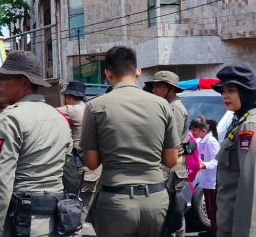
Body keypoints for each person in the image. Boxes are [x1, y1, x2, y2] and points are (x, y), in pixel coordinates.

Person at [0, 51, 81, 237]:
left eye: (4, 77)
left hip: (24, 224)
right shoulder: (59, 118)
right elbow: (70, 174)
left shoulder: (9, 120)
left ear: (24, 82)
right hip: (57, 223)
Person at [81, 46, 179, 237]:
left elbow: (92, 164)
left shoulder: (95, 106)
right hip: (155, 197)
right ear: (138, 72)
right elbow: (171, 160)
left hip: (116, 199)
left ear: (107, 74)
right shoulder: (162, 105)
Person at [212, 62, 256, 237]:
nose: (225, 96)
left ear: (246, 91)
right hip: (233, 217)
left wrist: (246, 233)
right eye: (223, 90)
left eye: (231, 90)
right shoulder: (243, 120)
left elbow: (250, 185)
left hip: (245, 223)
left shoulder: (251, 126)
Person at [145, 71, 189, 237]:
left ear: (170, 89)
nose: (154, 89)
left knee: (171, 210)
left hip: (170, 166)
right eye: (154, 86)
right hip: (168, 164)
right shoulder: (168, 106)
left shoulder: (174, 108)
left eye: (158, 86)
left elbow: (171, 143)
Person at [57, 81, 101, 221]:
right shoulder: (88, 108)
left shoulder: (72, 109)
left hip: (83, 164)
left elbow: (47, 112)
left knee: (80, 208)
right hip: (93, 163)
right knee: (90, 205)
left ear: (70, 97)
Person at [189, 116, 220, 237]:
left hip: (213, 182)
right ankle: (212, 230)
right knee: (209, 207)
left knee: (214, 209)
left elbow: (218, 161)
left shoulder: (211, 142)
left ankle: (217, 232)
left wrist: (204, 165)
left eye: (194, 130)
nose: (192, 133)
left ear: (203, 131)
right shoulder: (201, 141)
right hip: (206, 181)